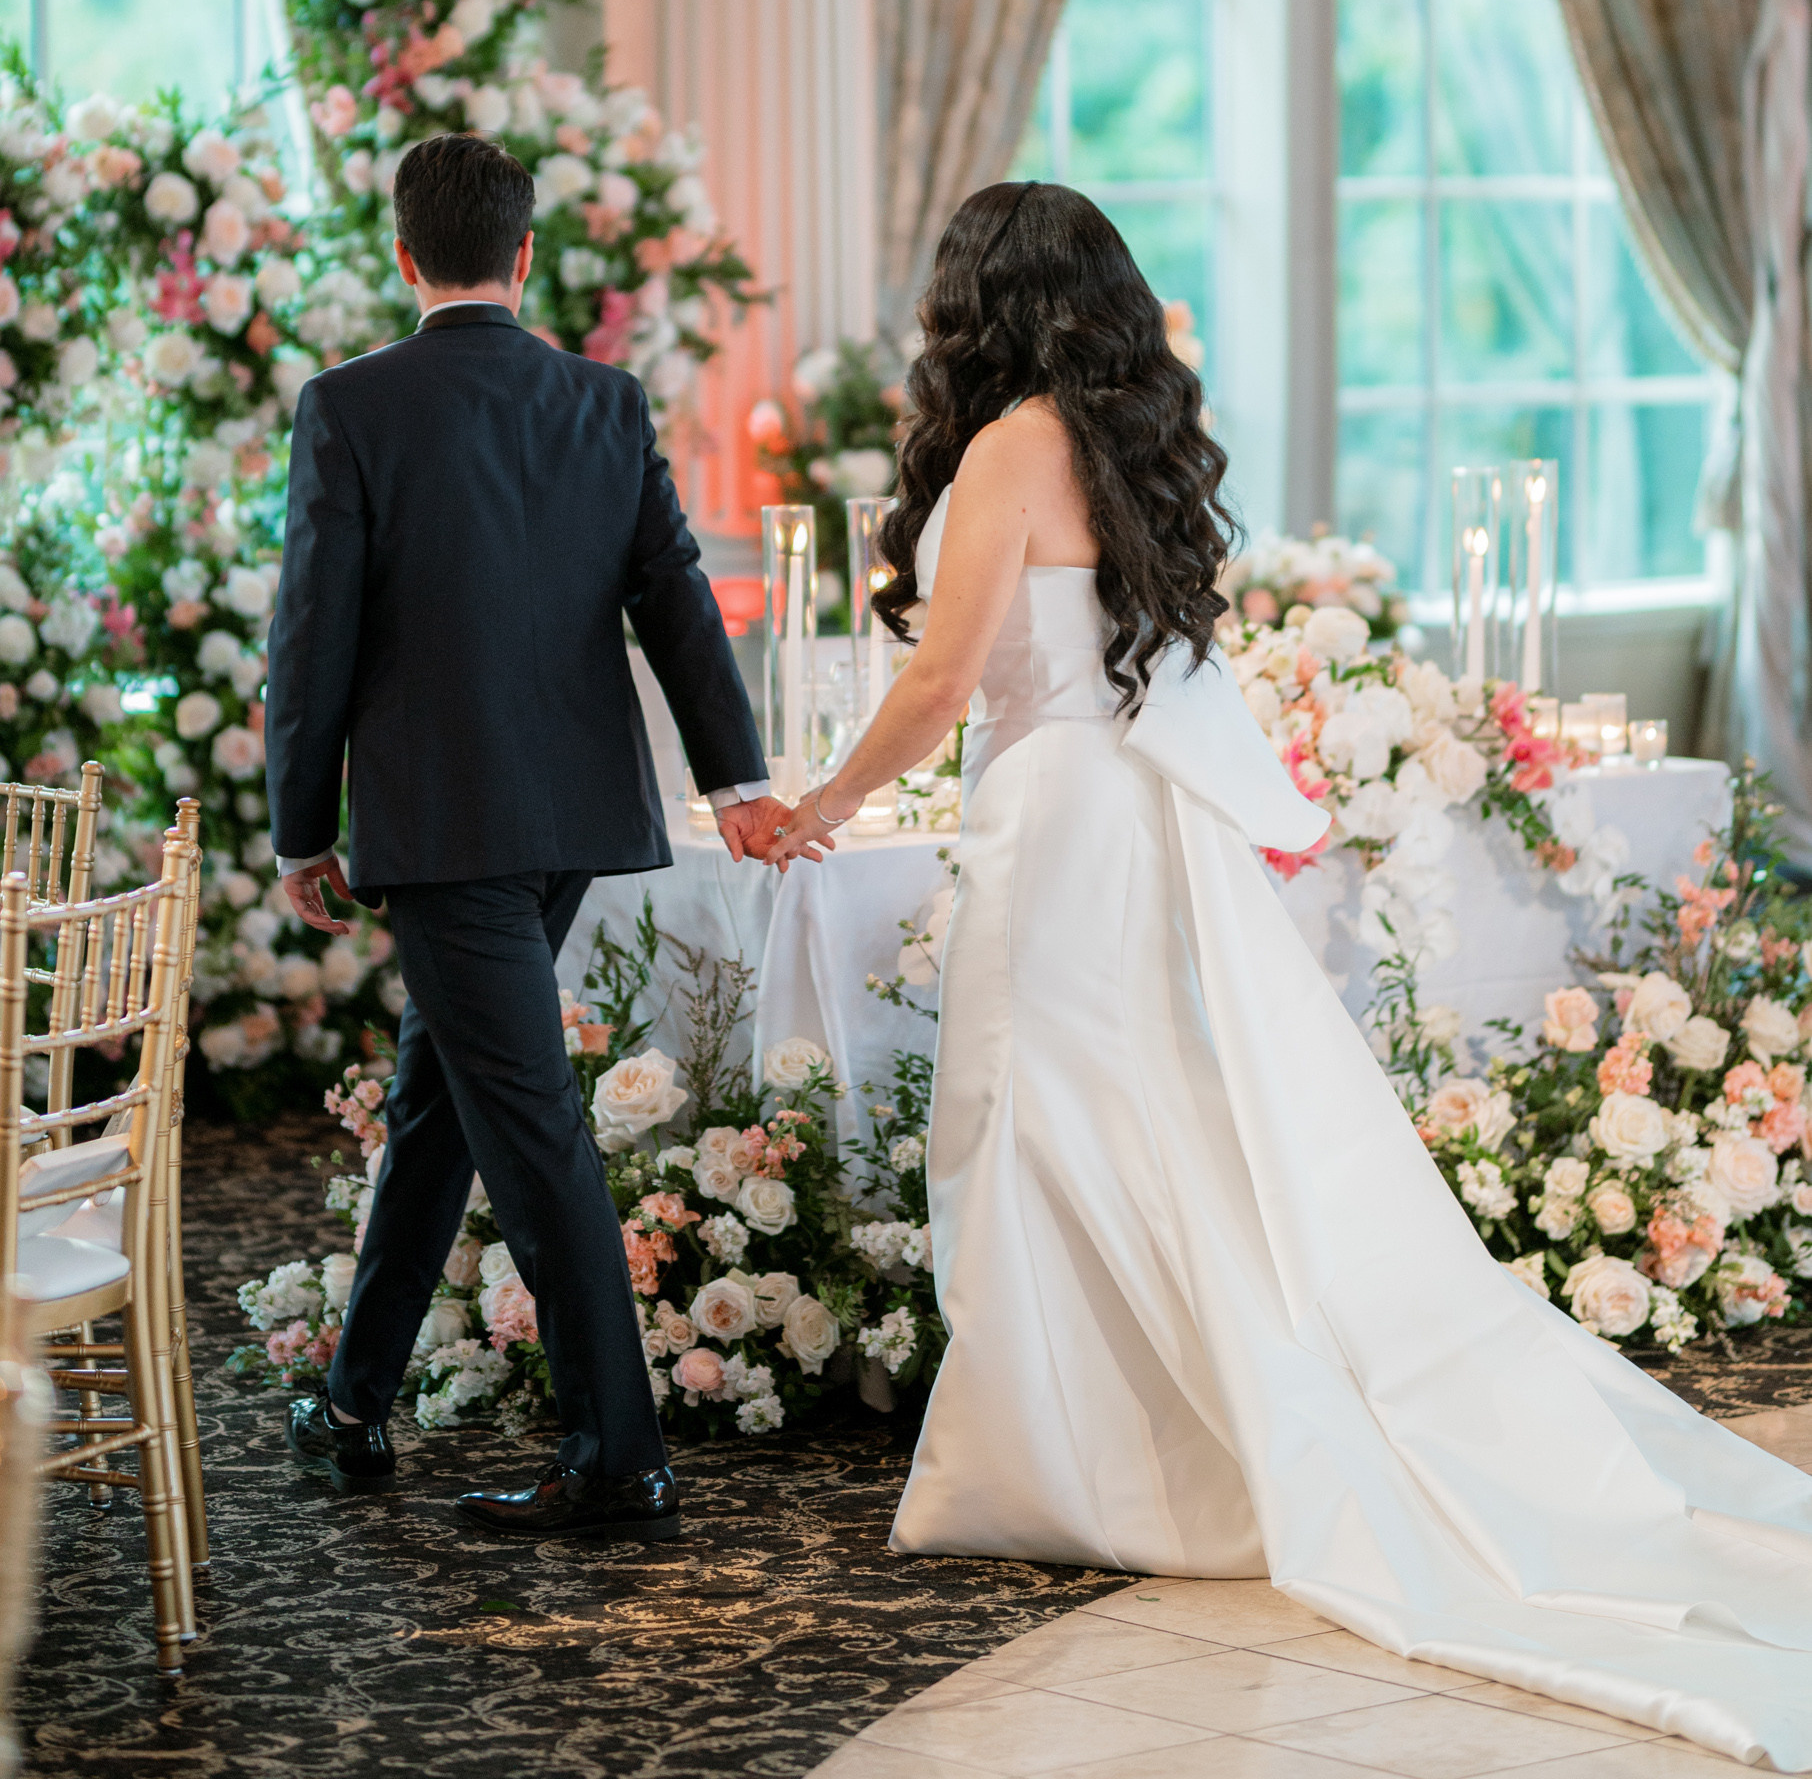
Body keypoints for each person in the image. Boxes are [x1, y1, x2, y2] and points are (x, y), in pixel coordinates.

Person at [769, 180, 1812, 1768]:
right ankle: (1113, 1452)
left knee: (1037, 1127)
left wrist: (830, 803)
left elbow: (941, 673)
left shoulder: (1004, 448)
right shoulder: (1123, 445)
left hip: (1054, 819)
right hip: (1129, 812)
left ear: (977, 303)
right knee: (1134, 1126)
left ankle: (1086, 1464)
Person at [266, 131, 786, 1542]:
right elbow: (678, 601)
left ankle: (620, 1456)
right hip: (567, 828)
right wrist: (737, 783)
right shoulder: (603, 403)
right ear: (528, 255)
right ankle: (356, 1402)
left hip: (441, 833)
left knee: (531, 1129)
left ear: (401, 253)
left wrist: (297, 827)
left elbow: (312, 639)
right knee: (447, 1101)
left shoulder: (351, 406)